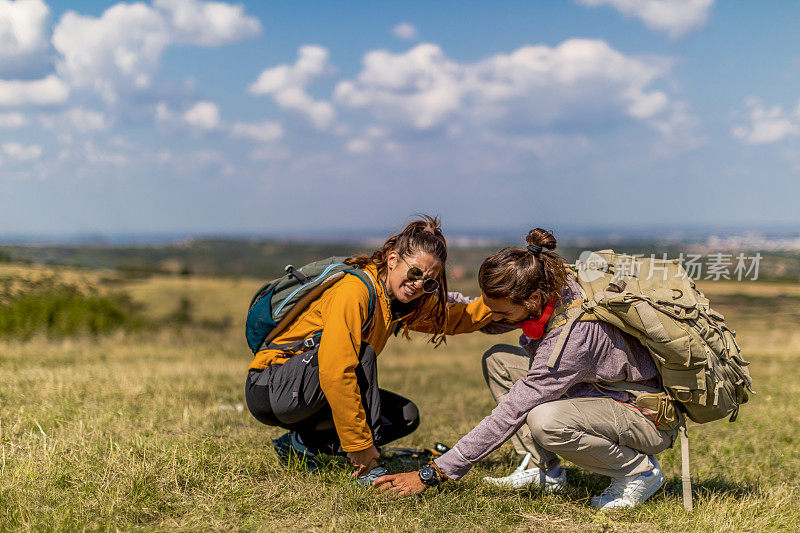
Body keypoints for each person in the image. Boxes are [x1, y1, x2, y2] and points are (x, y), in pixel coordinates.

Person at [374, 228, 679, 510]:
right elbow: (483, 312)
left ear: (532, 300)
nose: (493, 317)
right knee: (500, 361)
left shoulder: (572, 338)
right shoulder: (550, 287)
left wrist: (436, 472)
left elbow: (510, 414)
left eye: (503, 312)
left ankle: (639, 472)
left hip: (645, 416)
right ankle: (543, 470)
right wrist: (423, 299)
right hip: (602, 394)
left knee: (545, 420)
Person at [245, 215, 495, 483]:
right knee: (361, 355)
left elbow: (457, 317)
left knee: (404, 417)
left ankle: (299, 444)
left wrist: (505, 299)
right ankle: (365, 465)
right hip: (272, 388)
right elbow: (335, 371)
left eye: (430, 282)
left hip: (304, 389)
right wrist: (361, 446)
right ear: (392, 259)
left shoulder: (397, 302)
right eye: (415, 273)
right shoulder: (355, 291)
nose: (419, 284)